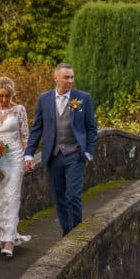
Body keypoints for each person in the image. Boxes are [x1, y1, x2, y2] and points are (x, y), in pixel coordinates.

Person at [24, 63, 98, 236]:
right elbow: (37, 128)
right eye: (66, 77)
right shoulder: (44, 99)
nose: (70, 81)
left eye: (72, 77)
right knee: (59, 198)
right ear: (56, 78)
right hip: (53, 155)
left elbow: (92, 128)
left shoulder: (83, 98)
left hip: (75, 154)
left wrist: (88, 152)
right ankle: (67, 232)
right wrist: (29, 153)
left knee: (73, 195)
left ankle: (77, 233)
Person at [0, 76, 32, 258]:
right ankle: (2, 235)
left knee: (11, 197)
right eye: (1, 96)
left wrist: (28, 159)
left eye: (7, 96)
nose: (4, 100)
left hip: (15, 158)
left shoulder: (19, 111)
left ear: (12, 94)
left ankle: (9, 241)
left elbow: (25, 136)